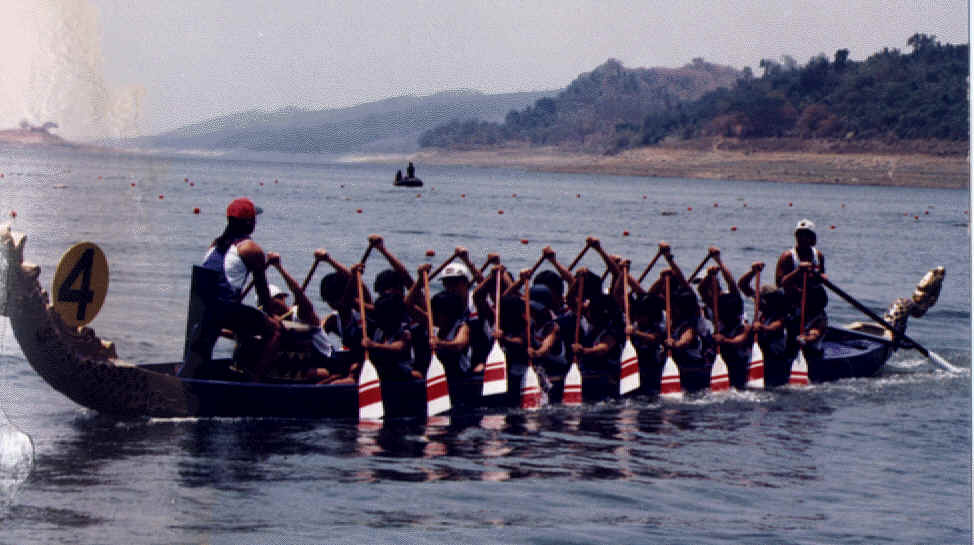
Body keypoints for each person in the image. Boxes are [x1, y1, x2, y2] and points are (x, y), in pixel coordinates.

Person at [185, 197, 282, 380]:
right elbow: (263, 297)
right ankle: (255, 383)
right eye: (254, 219)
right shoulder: (251, 249)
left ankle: (236, 367)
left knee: (245, 325)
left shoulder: (214, 245)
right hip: (225, 311)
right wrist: (274, 316)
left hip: (205, 310)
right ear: (249, 222)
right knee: (275, 330)